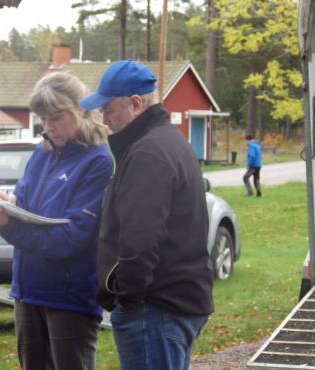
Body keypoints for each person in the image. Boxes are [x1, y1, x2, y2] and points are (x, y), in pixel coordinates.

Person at [79, 60, 214, 370]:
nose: (104, 118)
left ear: (135, 104)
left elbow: (140, 240)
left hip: (154, 308)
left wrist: (127, 298)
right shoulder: (169, 142)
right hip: (172, 303)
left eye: (108, 109)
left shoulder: (148, 153)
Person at [0, 72, 113, 370]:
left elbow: (71, 238)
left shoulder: (98, 161)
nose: (48, 127)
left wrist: (8, 227)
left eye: (56, 118)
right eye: (42, 119)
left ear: (79, 110)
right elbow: (27, 205)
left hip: (68, 298)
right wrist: (10, 207)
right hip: (28, 291)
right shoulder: (42, 153)